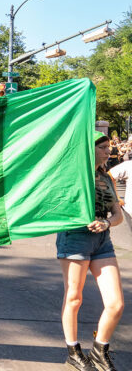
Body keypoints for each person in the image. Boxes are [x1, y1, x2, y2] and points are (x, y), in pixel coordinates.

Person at [57, 132, 125, 371]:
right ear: (90, 150)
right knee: (74, 298)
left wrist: (106, 223)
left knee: (116, 303)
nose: (109, 151)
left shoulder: (107, 178)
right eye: (103, 147)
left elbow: (117, 215)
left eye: (108, 147)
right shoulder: (73, 175)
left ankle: (99, 349)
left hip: (102, 240)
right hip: (75, 237)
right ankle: (73, 351)